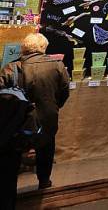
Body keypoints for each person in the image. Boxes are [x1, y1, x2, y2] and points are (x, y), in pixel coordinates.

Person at [0, 32, 70, 200]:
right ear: (43, 47)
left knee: (13, 153)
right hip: (47, 118)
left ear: (23, 48)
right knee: (46, 149)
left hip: (19, 122)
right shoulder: (57, 66)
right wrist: (53, 107)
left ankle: (10, 189)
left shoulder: (10, 68)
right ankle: (44, 182)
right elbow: (64, 92)